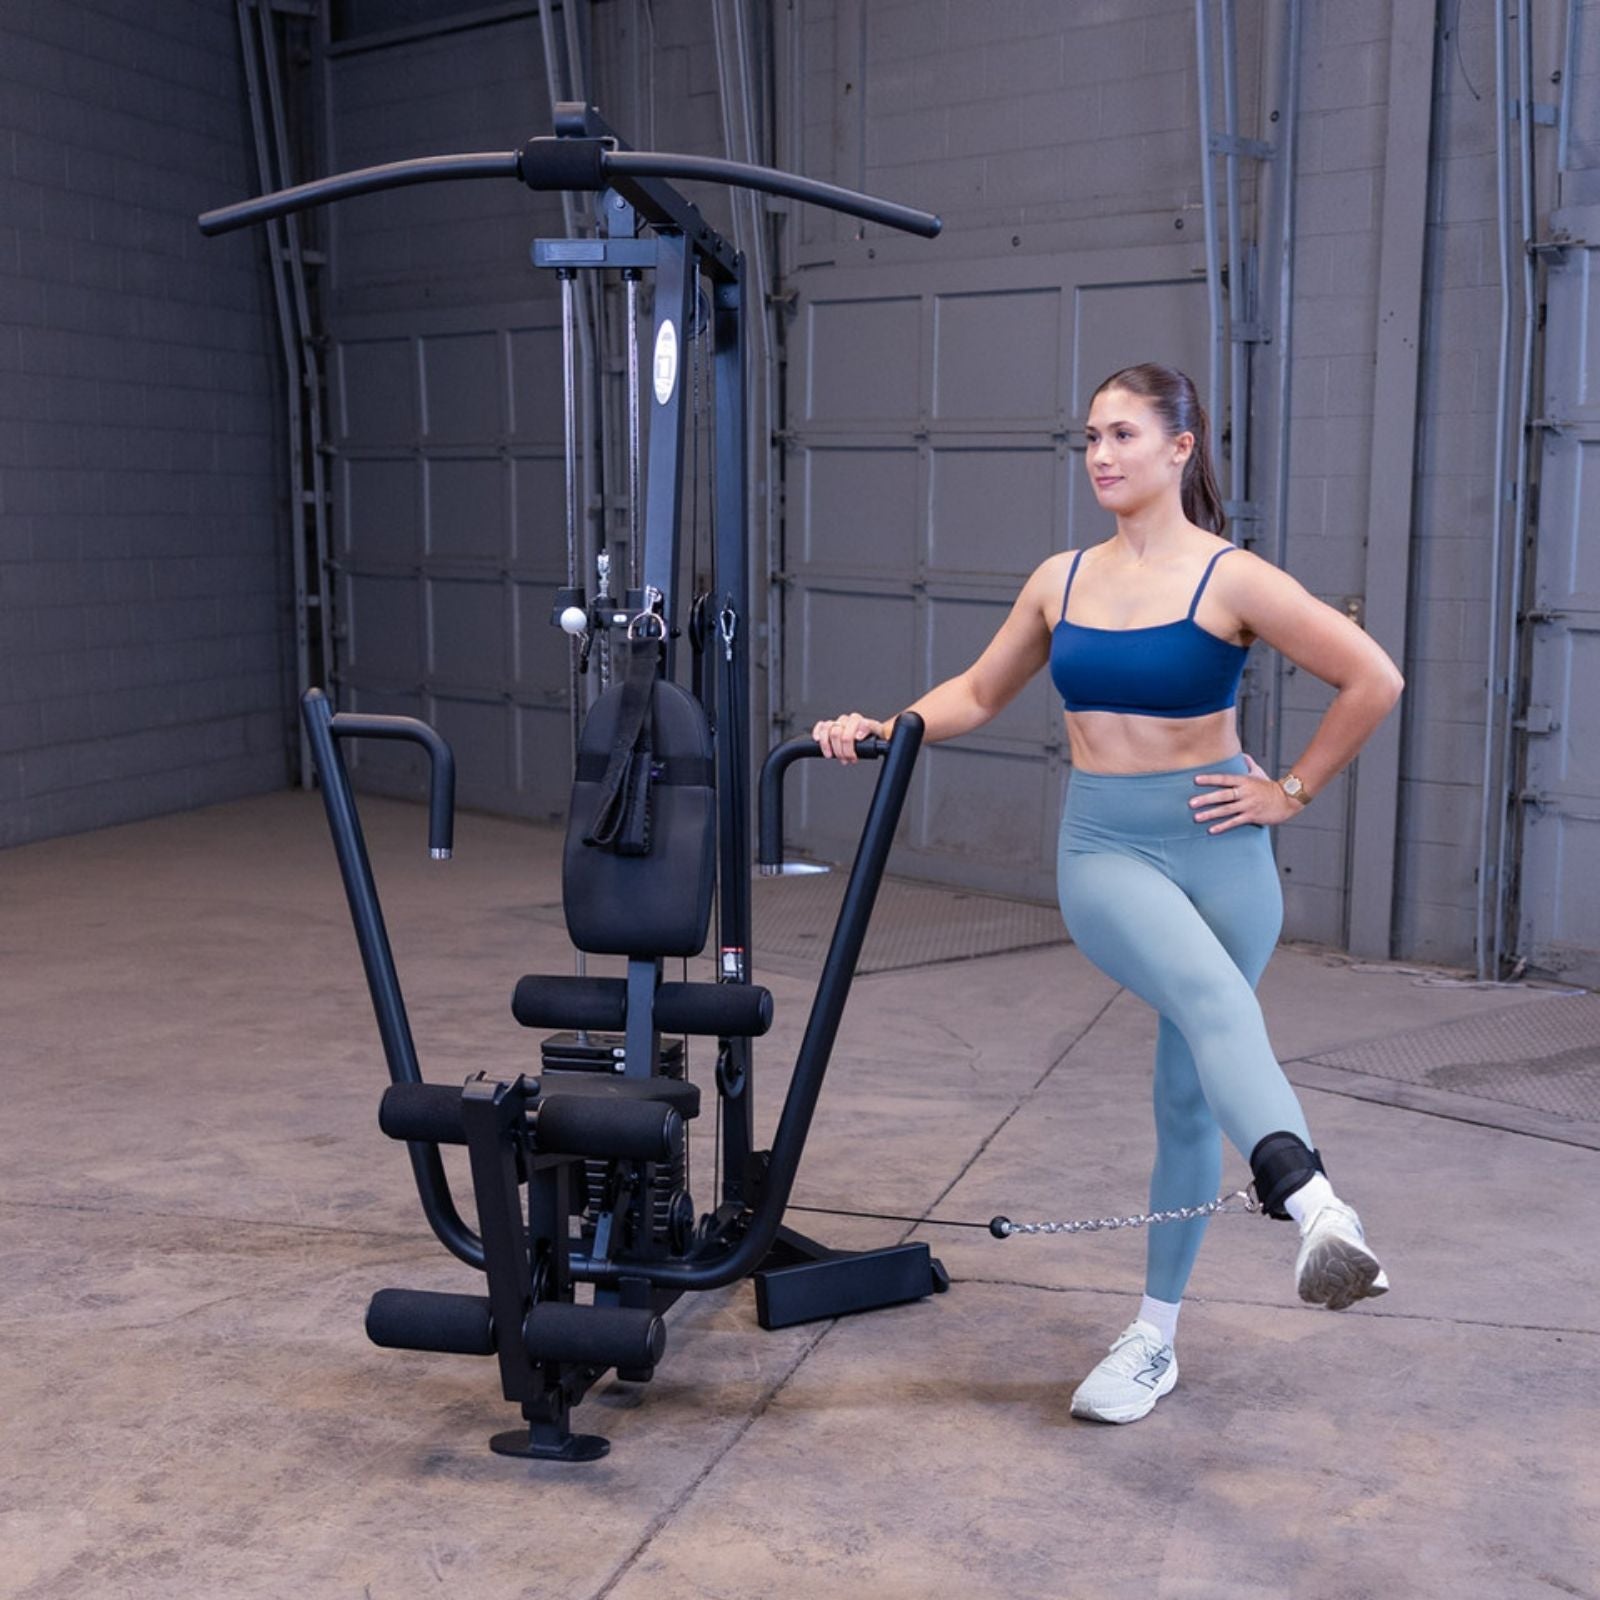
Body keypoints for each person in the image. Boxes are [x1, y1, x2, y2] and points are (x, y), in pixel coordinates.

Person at [813, 362, 1404, 1425]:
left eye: (1123, 434)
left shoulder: (1231, 578)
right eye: (1089, 436)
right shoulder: (1060, 579)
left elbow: (1373, 677)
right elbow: (980, 692)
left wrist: (1292, 790)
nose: (1100, 454)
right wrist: (883, 724)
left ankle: (1154, 1336)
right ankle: (1314, 1203)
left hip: (1223, 854)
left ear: (1182, 447)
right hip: (1107, 853)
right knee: (1219, 1006)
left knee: (1187, 1096)